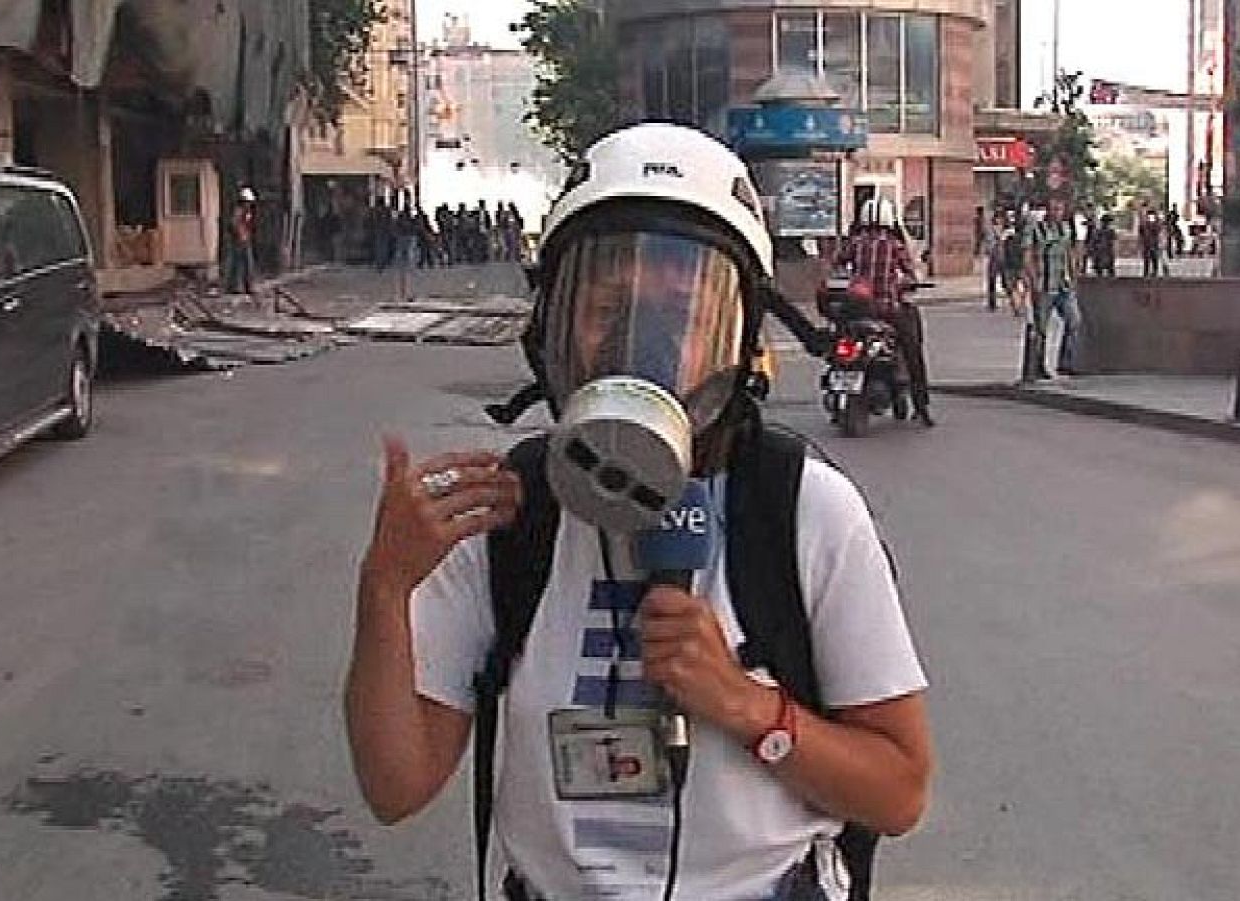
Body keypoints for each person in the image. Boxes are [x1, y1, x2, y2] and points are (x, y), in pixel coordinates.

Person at [346, 122, 932, 901]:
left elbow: (898, 792)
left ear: (736, 339)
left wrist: (743, 702)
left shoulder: (805, 512)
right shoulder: (509, 518)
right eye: (608, 304)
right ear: (550, 329)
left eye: (679, 311)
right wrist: (384, 589)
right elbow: (397, 784)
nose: (640, 343)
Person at [834, 197, 935, 427]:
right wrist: (905, 283)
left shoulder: (855, 243)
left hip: (856, 310)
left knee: (837, 340)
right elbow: (910, 274)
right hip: (887, 310)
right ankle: (921, 406)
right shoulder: (894, 245)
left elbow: (837, 264)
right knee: (913, 352)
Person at [1025, 195, 1084, 378]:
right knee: (1041, 327)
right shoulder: (1035, 229)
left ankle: (1066, 362)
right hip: (1044, 285)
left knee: (1074, 320)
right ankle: (1038, 366)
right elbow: (1027, 255)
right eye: (1054, 209)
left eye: (1060, 209)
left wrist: (1073, 274)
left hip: (1062, 284)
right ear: (1047, 211)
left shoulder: (1065, 229)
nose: (1057, 213)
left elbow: (1070, 252)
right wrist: (1033, 280)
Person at [225, 187, 258, 294]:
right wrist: (240, 235)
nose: (249, 204)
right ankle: (236, 286)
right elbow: (235, 224)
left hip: (244, 239)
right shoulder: (239, 211)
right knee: (239, 264)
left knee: (246, 264)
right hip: (239, 240)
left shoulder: (247, 211)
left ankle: (246, 286)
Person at [983, 210, 1006, 311]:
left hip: (1004, 256)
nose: (999, 220)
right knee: (992, 280)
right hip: (994, 256)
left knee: (1006, 280)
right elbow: (989, 243)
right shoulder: (990, 230)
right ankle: (992, 302)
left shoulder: (1005, 229)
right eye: (997, 218)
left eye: (1000, 218)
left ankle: (1014, 300)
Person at [1087, 213, 1118, 278]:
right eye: (1106, 222)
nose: (1107, 224)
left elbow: (1114, 241)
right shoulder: (1097, 231)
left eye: (1108, 222)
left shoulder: (1110, 231)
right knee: (1101, 271)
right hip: (1100, 253)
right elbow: (1092, 243)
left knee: (1109, 271)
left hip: (1106, 253)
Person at [1139, 208, 1165, 278]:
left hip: (1154, 243)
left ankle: (1154, 272)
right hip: (1147, 243)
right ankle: (1146, 273)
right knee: (1147, 259)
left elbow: (1158, 231)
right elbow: (1141, 232)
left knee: (1154, 259)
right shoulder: (1144, 224)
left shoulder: (1157, 223)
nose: (1151, 217)